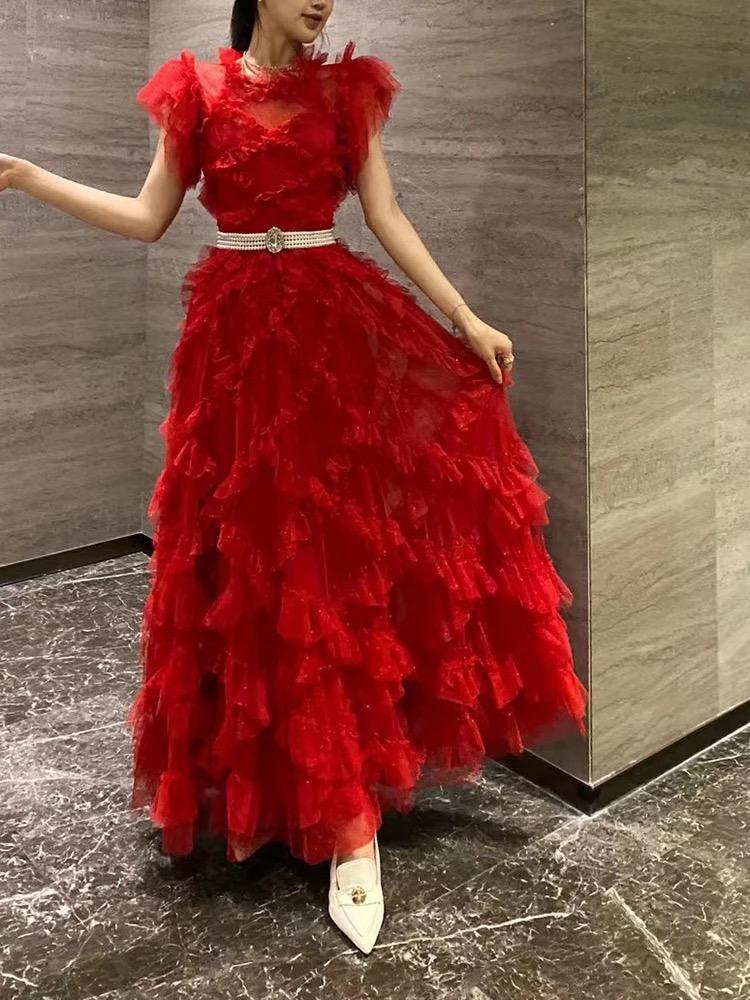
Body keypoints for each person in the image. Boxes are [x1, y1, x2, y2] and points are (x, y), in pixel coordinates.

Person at [0, 0, 588, 956]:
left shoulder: (349, 93)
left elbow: (385, 216)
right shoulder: (196, 90)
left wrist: (467, 318)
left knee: (329, 563)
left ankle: (350, 818)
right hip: (233, 349)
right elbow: (148, 218)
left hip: (328, 344)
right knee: (243, 560)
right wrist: (27, 176)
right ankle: (267, 778)